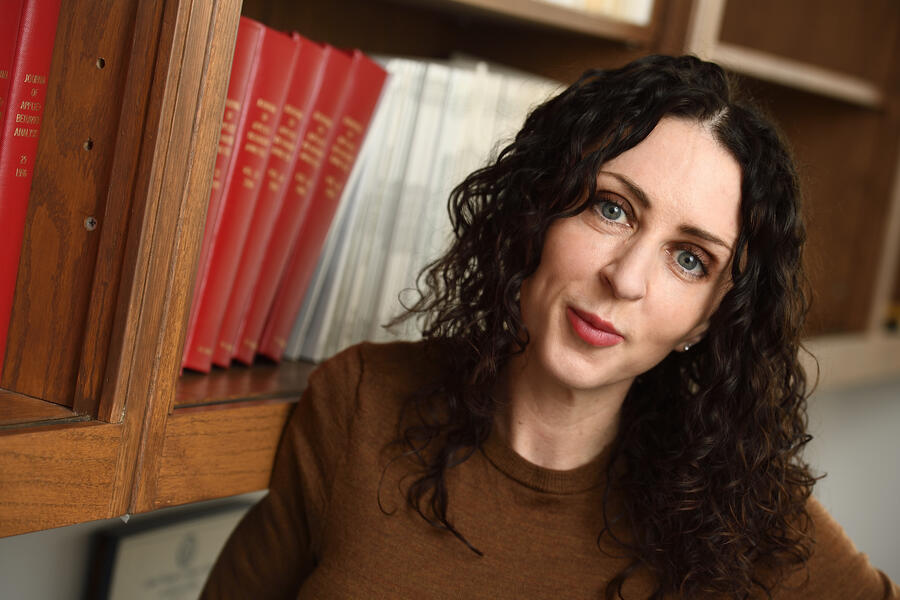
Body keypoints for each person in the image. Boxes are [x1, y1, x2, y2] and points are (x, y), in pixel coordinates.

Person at [201, 55, 898, 599]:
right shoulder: (359, 403)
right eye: (612, 210)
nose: (625, 278)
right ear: (540, 211)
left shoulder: (736, 512)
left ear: (709, 316)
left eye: (689, 259)